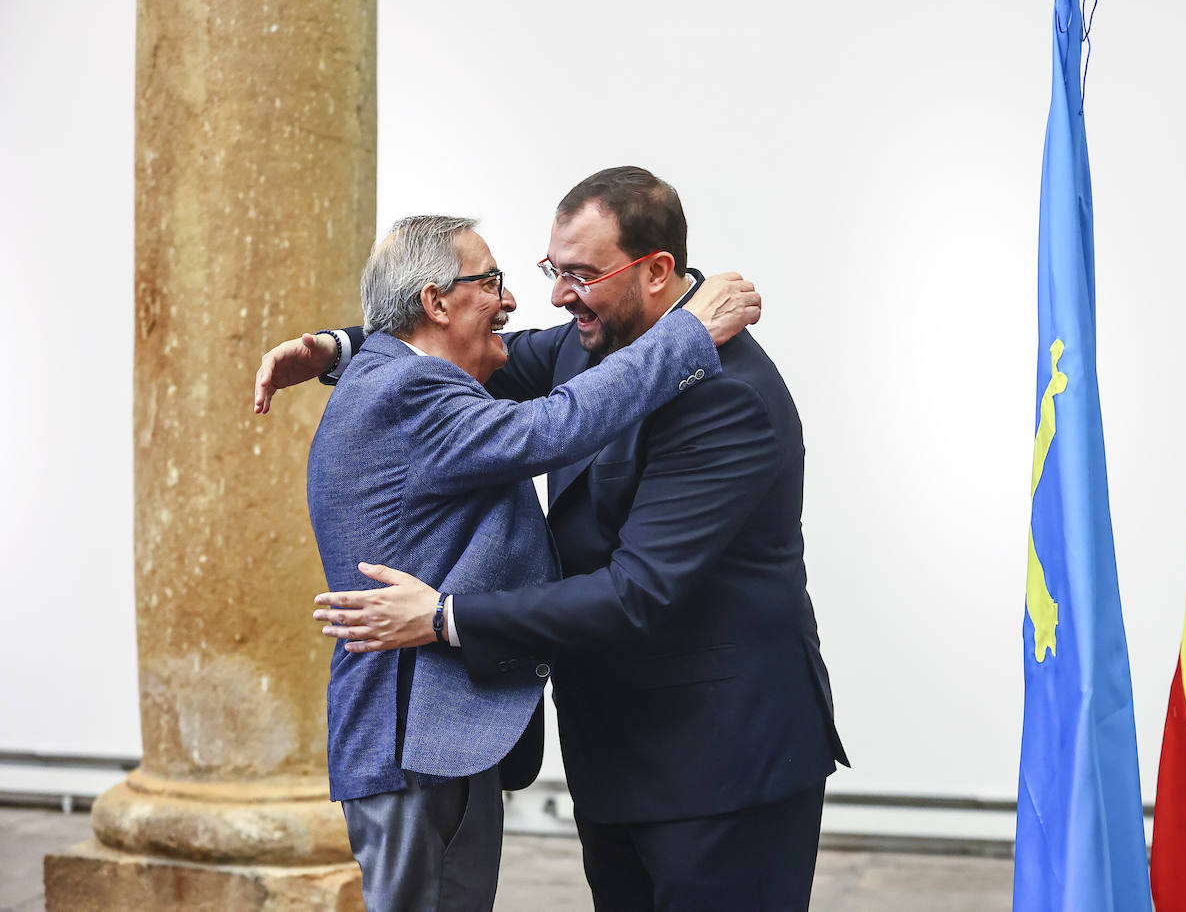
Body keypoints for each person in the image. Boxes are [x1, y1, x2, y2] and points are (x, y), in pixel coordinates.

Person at [261, 167, 845, 911]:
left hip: (720, 763)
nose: (551, 296)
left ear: (657, 271)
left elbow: (637, 592)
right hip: (619, 756)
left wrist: (446, 618)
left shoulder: (725, 396)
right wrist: (340, 346)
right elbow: (457, 359)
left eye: (580, 275)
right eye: (549, 271)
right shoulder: (585, 345)